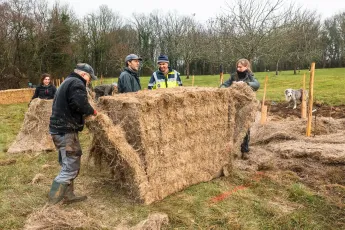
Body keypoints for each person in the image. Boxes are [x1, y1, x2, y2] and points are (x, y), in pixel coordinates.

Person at [48, 63, 97, 205]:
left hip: (59, 129)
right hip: (66, 131)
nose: (89, 81)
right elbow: (80, 104)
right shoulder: (76, 83)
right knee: (71, 166)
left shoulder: (67, 81)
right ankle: (53, 201)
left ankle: (68, 195)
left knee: (67, 163)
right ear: (83, 75)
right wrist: (93, 111)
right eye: (89, 78)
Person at [220, 58, 260, 160]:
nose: (238, 68)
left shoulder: (250, 77)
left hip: (245, 106)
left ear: (246, 67)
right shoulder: (234, 76)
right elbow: (225, 84)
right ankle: (231, 150)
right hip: (234, 106)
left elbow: (257, 85)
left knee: (245, 128)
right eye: (237, 66)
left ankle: (244, 150)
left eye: (240, 67)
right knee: (232, 127)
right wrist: (223, 88)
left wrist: (245, 84)